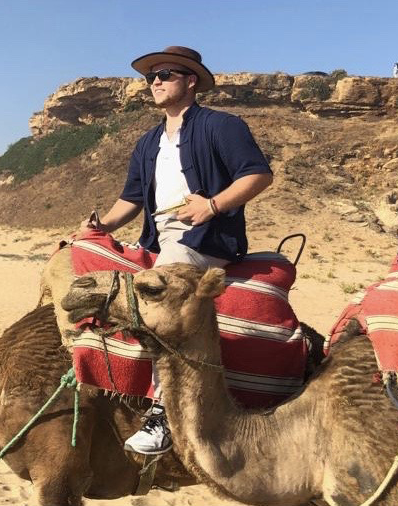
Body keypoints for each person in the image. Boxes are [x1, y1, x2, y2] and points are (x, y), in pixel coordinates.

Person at [77, 45, 274, 455]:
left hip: (205, 242)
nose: (156, 82)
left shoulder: (222, 126)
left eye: (166, 74)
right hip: (156, 240)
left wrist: (213, 205)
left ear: (191, 81)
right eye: (152, 76)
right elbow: (131, 198)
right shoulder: (148, 142)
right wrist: (101, 226)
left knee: (162, 289)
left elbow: (258, 175)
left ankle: (165, 413)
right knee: (78, 256)